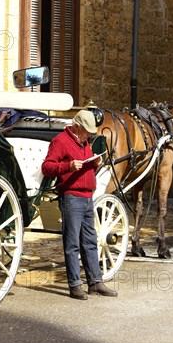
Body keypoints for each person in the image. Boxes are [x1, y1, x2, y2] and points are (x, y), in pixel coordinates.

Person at [41, 110, 118, 300]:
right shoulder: (60, 141)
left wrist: (95, 164)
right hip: (72, 197)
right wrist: (67, 166)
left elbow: (85, 166)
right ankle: (75, 285)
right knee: (72, 243)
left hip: (86, 197)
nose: (90, 136)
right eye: (87, 132)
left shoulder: (84, 143)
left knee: (90, 242)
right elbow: (47, 167)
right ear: (76, 127)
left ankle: (95, 283)